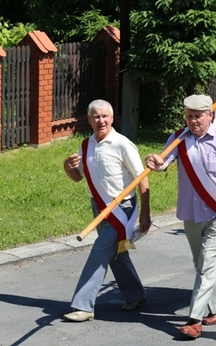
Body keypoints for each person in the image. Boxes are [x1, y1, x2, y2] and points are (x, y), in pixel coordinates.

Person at [145, 94, 216, 340]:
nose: (193, 121)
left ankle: (194, 320)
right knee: (202, 264)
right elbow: (164, 162)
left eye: (198, 116)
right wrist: (156, 163)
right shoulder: (178, 139)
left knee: (206, 266)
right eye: (189, 116)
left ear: (210, 115)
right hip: (190, 213)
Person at [62, 99, 151, 322]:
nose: (101, 121)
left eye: (105, 116)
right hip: (99, 207)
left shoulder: (123, 144)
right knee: (116, 255)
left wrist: (145, 213)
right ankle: (135, 295)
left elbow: (142, 179)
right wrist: (68, 168)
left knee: (100, 251)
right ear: (89, 120)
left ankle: (83, 305)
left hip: (122, 209)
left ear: (112, 118)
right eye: (96, 117)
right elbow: (78, 178)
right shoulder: (86, 145)